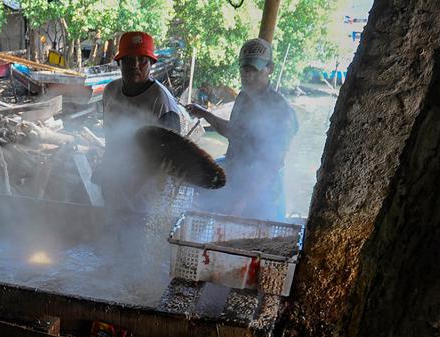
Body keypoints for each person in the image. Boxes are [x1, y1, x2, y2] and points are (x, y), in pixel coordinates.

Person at [187, 38, 298, 222]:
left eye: (254, 69)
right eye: (244, 69)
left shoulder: (281, 110)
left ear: (270, 68)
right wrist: (205, 114)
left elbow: (272, 163)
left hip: (261, 194)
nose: (248, 75)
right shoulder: (243, 97)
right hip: (235, 180)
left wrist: (242, 200)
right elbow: (234, 133)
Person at [96, 31, 183, 212]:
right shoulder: (110, 91)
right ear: (119, 63)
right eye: (129, 60)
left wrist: (136, 193)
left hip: (149, 193)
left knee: (136, 228)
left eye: (142, 60)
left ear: (151, 63)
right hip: (116, 183)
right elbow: (111, 139)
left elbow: (171, 158)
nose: (135, 65)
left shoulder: (162, 101)